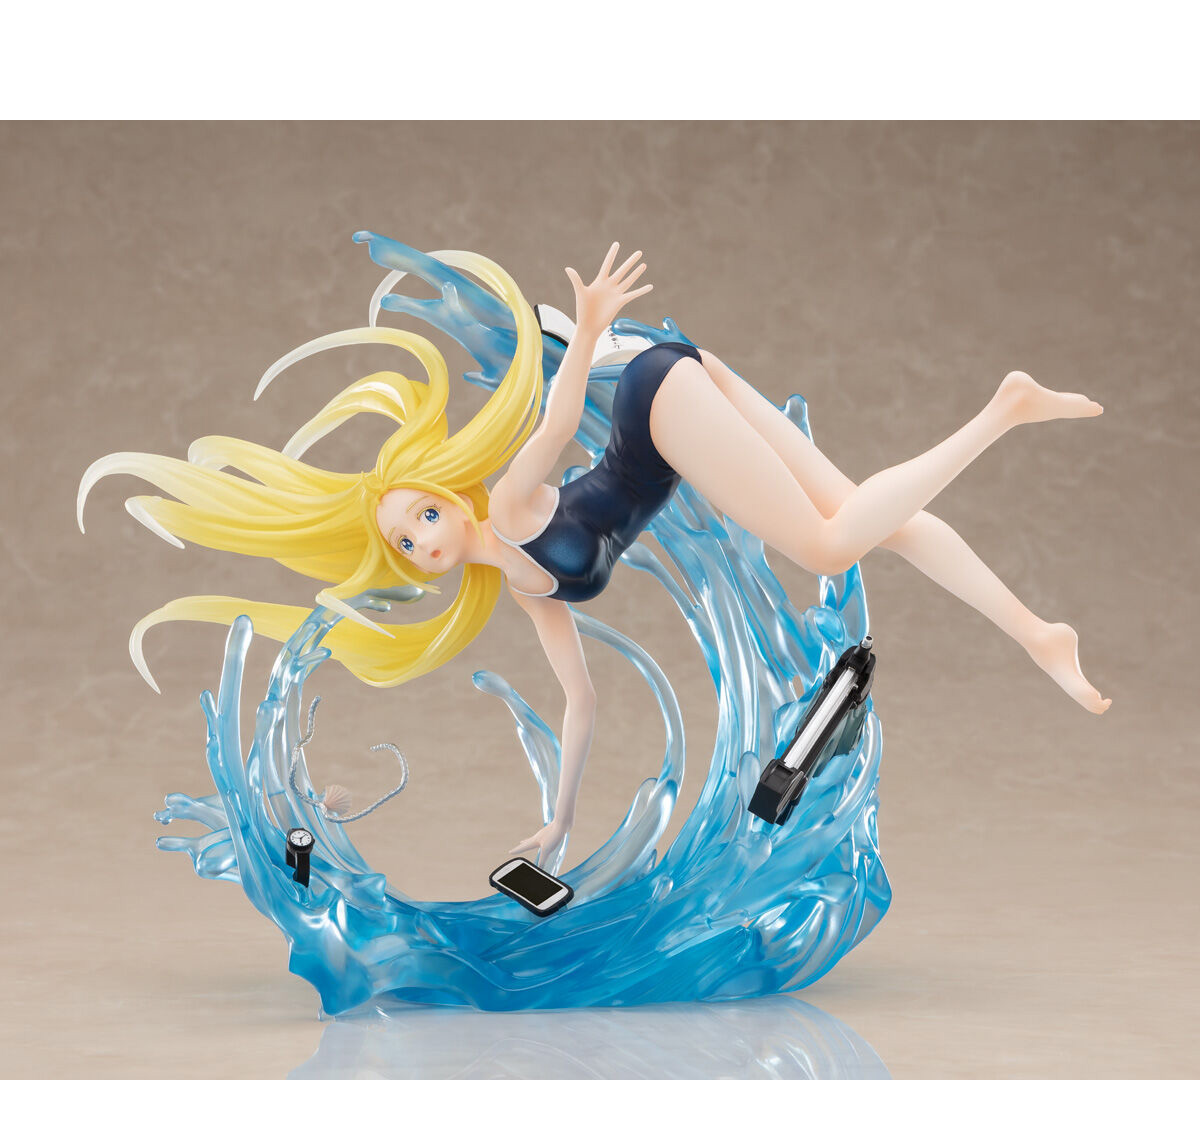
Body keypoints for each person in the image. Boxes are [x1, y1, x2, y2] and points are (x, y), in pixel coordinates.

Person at [79, 239, 1110, 868]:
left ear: (447, 494)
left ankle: (1000, 412)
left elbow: (560, 419)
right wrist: (559, 824)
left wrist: (585, 333)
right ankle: (1038, 631)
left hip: (657, 403)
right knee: (875, 519)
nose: (424, 540)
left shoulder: (509, 506)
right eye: (405, 542)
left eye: (422, 516)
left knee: (828, 541)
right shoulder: (527, 591)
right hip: (682, 391)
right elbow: (580, 704)